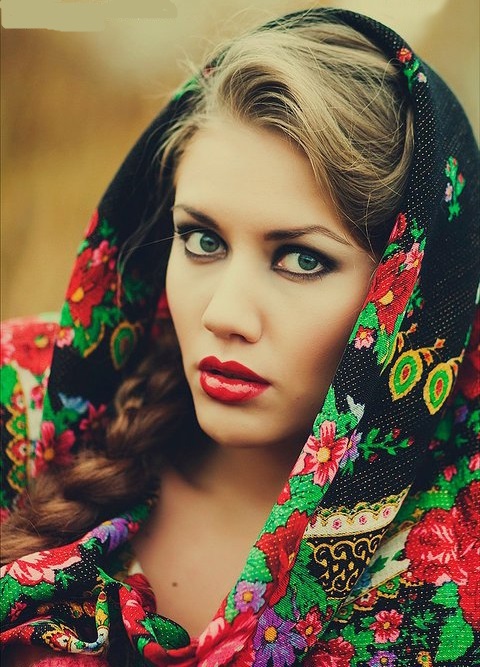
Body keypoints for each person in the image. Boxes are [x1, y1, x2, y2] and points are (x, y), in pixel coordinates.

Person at [1, 7, 479, 666]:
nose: (224, 314)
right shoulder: (22, 402)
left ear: (407, 296)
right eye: (202, 240)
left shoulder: (458, 555)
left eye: (302, 259)